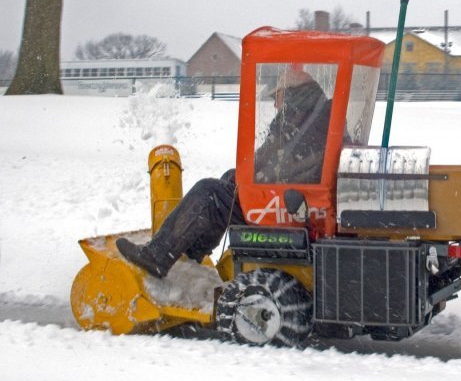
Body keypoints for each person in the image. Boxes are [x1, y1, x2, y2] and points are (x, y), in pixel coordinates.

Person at [116, 70, 331, 278]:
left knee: (208, 191)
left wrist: (248, 176)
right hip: (302, 200)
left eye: (277, 96)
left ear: (292, 93)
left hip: (290, 206)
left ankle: (158, 255)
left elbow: (265, 163)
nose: (275, 104)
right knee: (230, 178)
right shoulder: (316, 118)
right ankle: (192, 253)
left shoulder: (293, 120)